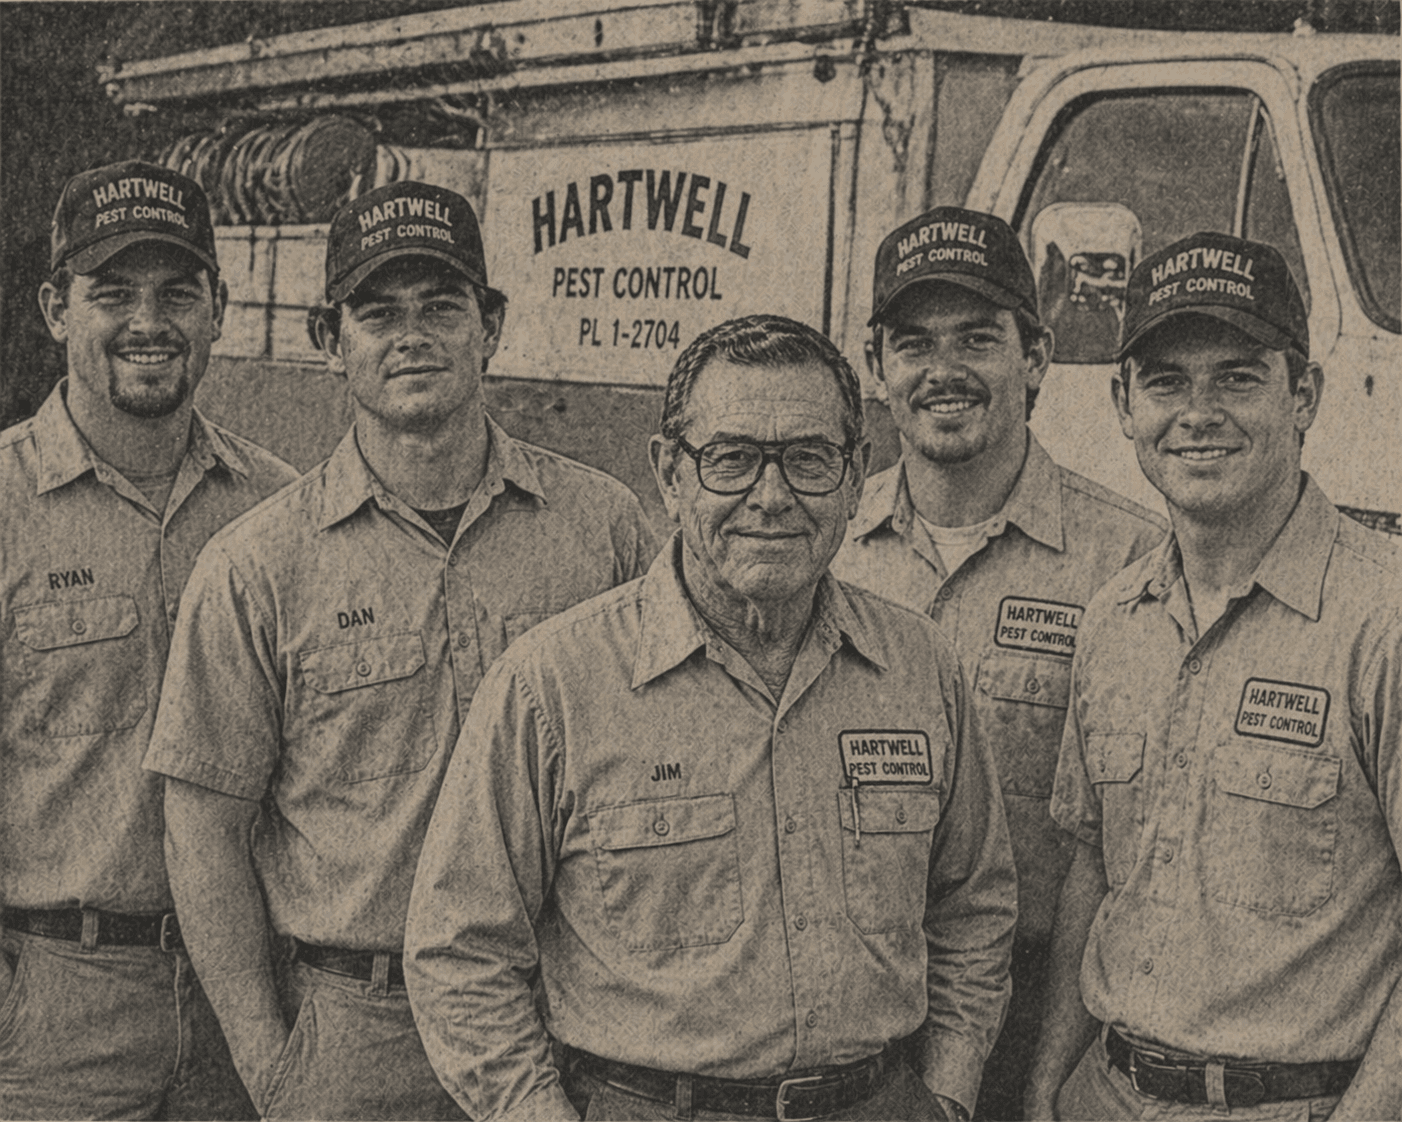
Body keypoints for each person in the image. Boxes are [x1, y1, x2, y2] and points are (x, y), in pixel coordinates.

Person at [405, 314, 1018, 1122]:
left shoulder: (920, 669)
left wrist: (946, 1093)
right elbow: (460, 952)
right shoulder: (553, 688)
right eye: (729, 460)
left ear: (857, 471)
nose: (771, 497)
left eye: (808, 459)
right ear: (669, 474)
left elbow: (974, 906)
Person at [144, 181, 657, 1120]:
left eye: (441, 308)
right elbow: (205, 833)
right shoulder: (258, 567)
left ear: (491, 326)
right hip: (359, 1031)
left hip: (570, 1022)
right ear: (328, 339)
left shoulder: (603, 529)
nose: (411, 336)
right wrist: (276, 1068)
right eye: (378, 313)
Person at [1024, 232, 1402, 1121]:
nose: (1199, 413)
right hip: (1102, 1095)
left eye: (1237, 376)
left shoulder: (1382, 619)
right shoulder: (1115, 618)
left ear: (1302, 395)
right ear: (1123, 403)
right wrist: (1045, 1084)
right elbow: (1093, 864)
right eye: (1166, 381)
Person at [831, 206, 1164, 1120]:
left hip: (1047, 1013)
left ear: (1038, 357)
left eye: (978, 337)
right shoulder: (823, 552)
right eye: (914, 343)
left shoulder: (1134, 563)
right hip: (858, 1018)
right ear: (875, 366)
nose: (945, 370)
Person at [0, 160, 298, 1118]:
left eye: (178, 292)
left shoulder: (280, 510)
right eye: (112, 293)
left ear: (219, 306)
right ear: (55, 308)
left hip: (246, 1001)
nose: (148, 321)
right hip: (54, 1012)